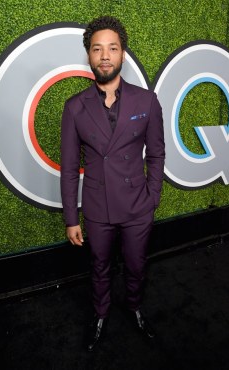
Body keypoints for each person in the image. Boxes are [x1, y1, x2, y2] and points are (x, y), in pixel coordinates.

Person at [60, 15, 165, 351]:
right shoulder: (74, 107)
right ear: (89, 56)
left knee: (136, 265)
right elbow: (67, 167)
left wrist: (153, 198)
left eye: (112, 48)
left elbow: (157, 155)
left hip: (137, 206)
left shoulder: (146, 101)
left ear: (122, 55)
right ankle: (101, 313)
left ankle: (134, 308)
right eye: (97, 49)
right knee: (100, 266)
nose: (105, 55)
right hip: (97, 207)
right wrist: (71, 218)